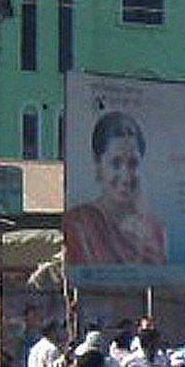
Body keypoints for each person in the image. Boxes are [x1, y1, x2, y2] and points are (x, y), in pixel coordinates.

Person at [63, 111, 167, 265]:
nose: (126, 176)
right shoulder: (81, 224)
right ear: (99, 165)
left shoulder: (155, 230)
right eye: (116, 163)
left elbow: (160, 280)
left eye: (133, 163)